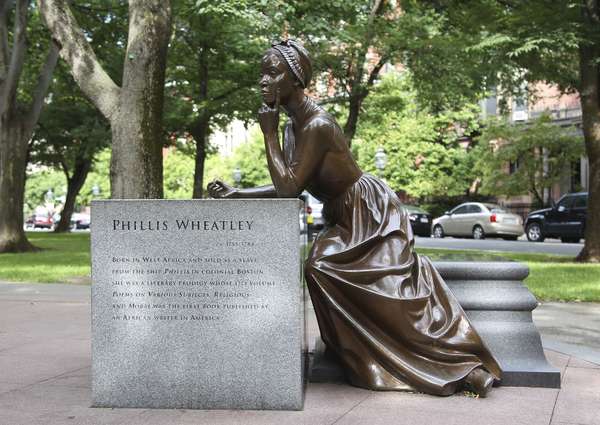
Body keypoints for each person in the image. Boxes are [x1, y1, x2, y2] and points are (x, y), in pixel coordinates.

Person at [208, 39, 501, 397]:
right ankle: (351, 350)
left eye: (272, 72)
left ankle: (454, 365)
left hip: (370, 213)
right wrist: (239, 193)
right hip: (344, 216)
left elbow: (288, 189)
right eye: (261, 74)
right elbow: (290, 184)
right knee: (319, 267)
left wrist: (266, 134)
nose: (263, 81)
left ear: (296, 77)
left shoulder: (317, 125)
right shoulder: (291, 128)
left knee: (363, 281)